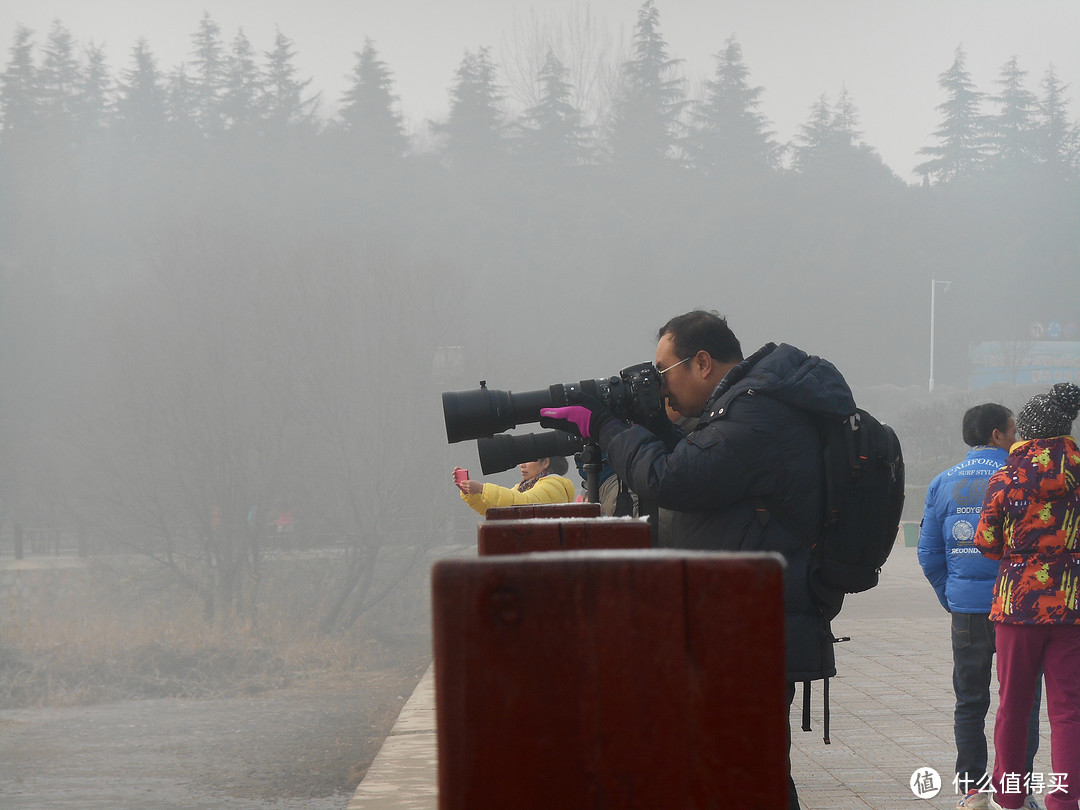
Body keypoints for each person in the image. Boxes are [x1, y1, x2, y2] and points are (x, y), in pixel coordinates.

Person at [540, 309, 850, 810]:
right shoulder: (749, 408)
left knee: (752, 772)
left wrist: (607, 426)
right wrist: (649, 429)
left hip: (752, 628)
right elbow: (700, 470)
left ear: (701, 362)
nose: (662, 386)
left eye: (664, 371)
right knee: (749, 768)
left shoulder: (758, 414)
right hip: (750, 621)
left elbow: (671, 479)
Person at [919, 404, 1042, 810]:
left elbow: (929, 552)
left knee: (969, 702)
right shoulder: (1022, 478)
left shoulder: (941, 483)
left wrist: (951, 596)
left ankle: (972, 792)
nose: (1017, 436)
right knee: (1020, 702)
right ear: (996, 435)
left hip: (967, 613)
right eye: (1013, 430)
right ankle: (1016, 794)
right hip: (1018, 611)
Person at [975, 382, 1080, 810]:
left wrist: (1017, 555)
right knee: (1068, 710)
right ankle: (1064, 800)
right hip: (1072, 607)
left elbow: (986, 542)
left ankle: (1010, 796)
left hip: (1016, 608)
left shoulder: (1004, 477)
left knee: (1013, 707)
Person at [453, 456, 574, 515]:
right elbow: (494, 510)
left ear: (545, 462)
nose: (522, 465)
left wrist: (482, 488)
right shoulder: (524, 486)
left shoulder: (553, 485)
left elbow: (523, 503)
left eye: (528, 459)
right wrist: (470, 491)